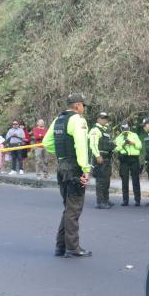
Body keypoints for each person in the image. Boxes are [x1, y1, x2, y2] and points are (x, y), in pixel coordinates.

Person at [42, 93, 91, 258]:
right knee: (74, 209)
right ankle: (72, 247)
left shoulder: (58, 120)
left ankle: (60, 246)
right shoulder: (77, 120)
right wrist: (85, 168)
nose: (84, 108)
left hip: (62, 166)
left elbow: (47, 143)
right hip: (74, 168)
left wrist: (63, 154)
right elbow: (81, 145)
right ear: (77, 106)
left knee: (68, 208)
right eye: (83, 105)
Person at [87, 112, 115, 209]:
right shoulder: (95, 130)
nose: (105, 120)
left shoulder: (106, 130)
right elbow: (93, 145)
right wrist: (98, 156)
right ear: (98, 119)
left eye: (106, 118)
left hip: (107, 158)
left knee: (107, 180)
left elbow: (109, 144)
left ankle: (106, 199)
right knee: (100, 181)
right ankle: (100, 202)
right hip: (100, 158)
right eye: (103, 118)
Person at [113, 122, 142, 207]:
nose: (125, 131)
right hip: (124, 160)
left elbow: (140, 146)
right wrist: (123, 144)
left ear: (129, 128)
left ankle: (137, 200)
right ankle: (125, 200)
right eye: (124, 129)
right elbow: (115, 150)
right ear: (121, 129)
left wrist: (132, 143)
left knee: (135, 180)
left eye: (126, 129)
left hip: (134, 159)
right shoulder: (118, 138)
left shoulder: (134, 135)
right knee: (124, 181)